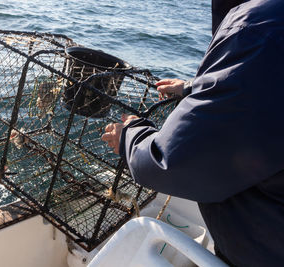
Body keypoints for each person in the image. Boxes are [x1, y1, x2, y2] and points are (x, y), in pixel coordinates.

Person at [101, 0, 284, 266]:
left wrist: (129, 135)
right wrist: (195, 87)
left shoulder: (259, 27)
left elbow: (169, 163)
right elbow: (265, 92)